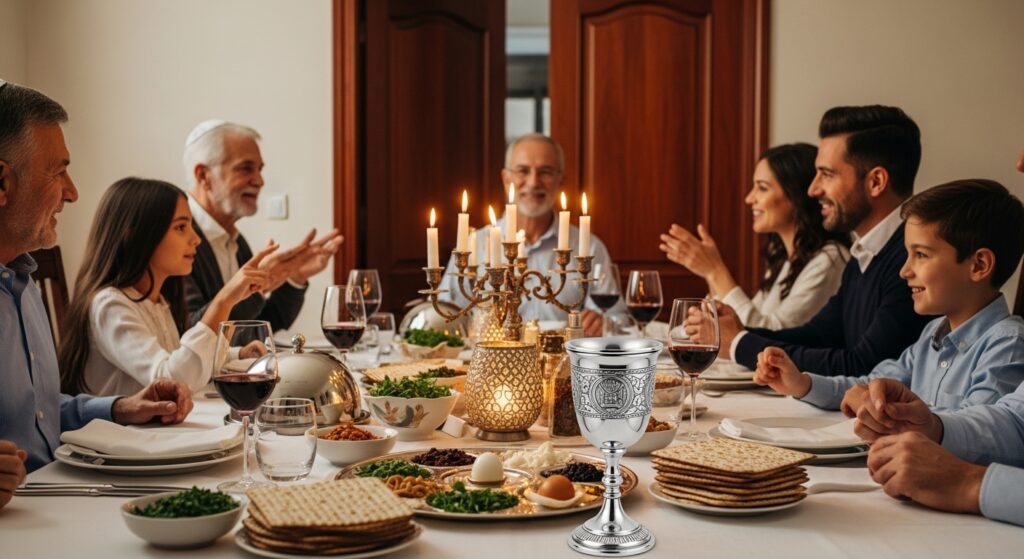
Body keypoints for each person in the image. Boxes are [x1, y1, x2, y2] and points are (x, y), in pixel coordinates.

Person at [0, 81, 194, 509]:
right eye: (58, 171)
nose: (72, 192)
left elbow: (42, 413)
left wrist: (121, 407)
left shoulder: (24, 284)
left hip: (59, 497)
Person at [753, 179, 1024, 413]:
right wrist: (803, 384)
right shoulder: (932, 334)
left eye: (921, 255)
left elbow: (977, 431)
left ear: (978, 265)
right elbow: (869, 382)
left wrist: (888, 409)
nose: (905, 270)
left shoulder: (1007, 345)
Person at [706, 105, 933, 376]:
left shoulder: (913, 260)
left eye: (827, 174)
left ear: (876, 182)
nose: (813, 189)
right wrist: (737, 332)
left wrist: (740, 343)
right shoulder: (864, 253)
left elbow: (863, 367)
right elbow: (819, 334)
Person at [57, 178, 277, 396]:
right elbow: (171, 381)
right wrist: (224, 299)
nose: (196, 239)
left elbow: (175, 359)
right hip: (119, 431)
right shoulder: (109, 305)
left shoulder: (157, 302)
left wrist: (237, 355)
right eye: (181, 227)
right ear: (137, 235)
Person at [439, 133, 618, 336]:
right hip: (493, 362)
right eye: (523, 171)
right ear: (506, 180)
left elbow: (618, 318)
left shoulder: (589, 247)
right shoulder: (473, 245)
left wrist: (604, 322)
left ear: (561, 179)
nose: (533, 182)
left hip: (564, 362)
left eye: (545, 172)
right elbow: (447, 313)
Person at [660, 143, 849, 329]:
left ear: (797, 196)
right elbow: (744, 321)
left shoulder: (829, 260)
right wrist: (709, 275)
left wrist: (715, 270)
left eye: (763, 188)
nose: (749, 198)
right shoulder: (784, 258)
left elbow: (766, 336)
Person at [182, 120, 343, 332]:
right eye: (245, 168)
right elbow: (189, 334)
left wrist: (296, 277)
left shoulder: (235, 240)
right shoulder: (176, 240)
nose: (259, 181)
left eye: (259, 169)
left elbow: (258, 329)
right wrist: (254, 288)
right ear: (204, 176)